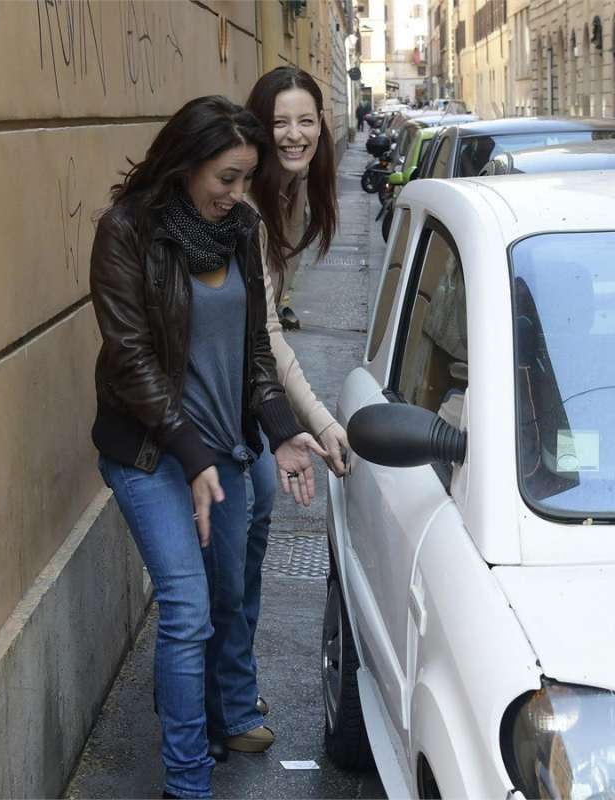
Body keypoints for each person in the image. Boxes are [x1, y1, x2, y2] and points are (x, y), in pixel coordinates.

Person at [90, 95, 327, 799]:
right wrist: (191, 456)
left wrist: (283, 432)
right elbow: (130, 358)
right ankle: (188, 783)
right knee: (188, 607)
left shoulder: (241, 230)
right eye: (226, 176)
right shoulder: (127, 231)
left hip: (223, 450)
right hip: (152, 456)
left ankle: (207, 712)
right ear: (187, 163)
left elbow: (256, 349)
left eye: (245, 177)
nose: (236, 192)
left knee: (226, 597)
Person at [240, 65, 351, 730]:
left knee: (247, 540)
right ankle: (220, 695)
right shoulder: (251, 208)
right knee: (234, 553)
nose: (294, 133)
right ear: (260, 127)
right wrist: (317, 419)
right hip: (230, 402)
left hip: (246, 396)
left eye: (305, 119)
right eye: (280, 121)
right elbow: (268, 337)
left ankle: (228, 687)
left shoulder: (286, 198)